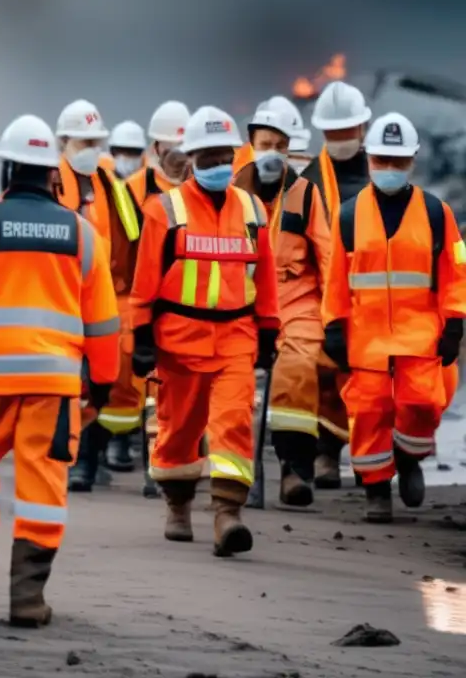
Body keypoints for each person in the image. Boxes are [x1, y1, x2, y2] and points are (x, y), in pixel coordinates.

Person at [0, 114, 120, 626]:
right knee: (43, 486)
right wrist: (102, 381)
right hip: (54, 387)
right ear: (53, 173)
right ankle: (28, 599)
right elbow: (103, 323)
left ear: (8, 168)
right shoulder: (82, 235)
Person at [130, 106, 280, 556]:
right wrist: (140, 337)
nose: (218, 166)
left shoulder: (253, 210)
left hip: (236, 337)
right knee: (179, 429)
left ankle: (227, 515)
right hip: (178, 340)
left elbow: (266, 276)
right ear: (191, 158)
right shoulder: (164, 211)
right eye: (209, 157)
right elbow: (144, 283)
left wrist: (270, 330)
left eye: (224, 157)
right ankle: (178, 505)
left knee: (234, 422)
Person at [322, 113, 466, 523]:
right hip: (365, 341)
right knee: (368, 415)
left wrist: (455, 322)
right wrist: (334, 326)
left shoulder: (437, 213)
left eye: (397, 161)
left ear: (412, 161)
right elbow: (336, 279)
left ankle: (409, 457)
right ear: (369, 158)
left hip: (420, 336)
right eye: (382, 159)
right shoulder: (348, 216)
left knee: (423, 405)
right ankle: (376, 491)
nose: (389, 168)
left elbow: (456, 271)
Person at [232, 108, 332, 506]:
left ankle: (295, 469)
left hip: (297, 296)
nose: (272, 152)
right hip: (245, 298)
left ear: (291, 149)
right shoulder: (233, 191)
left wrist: (334, 313)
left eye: (280, 145)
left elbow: (325, 255)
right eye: (265, 144)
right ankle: (240, 472)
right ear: (251, 145)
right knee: (237, 383)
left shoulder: (305, 192)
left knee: (297, 367)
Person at [53, 99, 141, 491]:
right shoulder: (47, 179)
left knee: (99, 384)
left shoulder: (112, 184)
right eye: (82, 141)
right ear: (63, 141)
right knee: (66, 385)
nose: (90, 148)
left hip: (103, 300)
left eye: (95, 141)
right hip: (59, 300)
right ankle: (75, 463)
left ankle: (87, 458)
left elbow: (131, 239)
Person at [302, 81, 373, 488]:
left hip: (373, 298)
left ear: (363, 128)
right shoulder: (308, 181)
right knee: (325, 378)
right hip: (322, 297)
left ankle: (373, 461)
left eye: (348, 131)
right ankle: (327, 453)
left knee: (372, 383)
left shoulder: (381, 173)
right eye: (334, 133)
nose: (342, 140)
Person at [122, 100, 192, 484]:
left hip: (191, 306)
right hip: (146, 301)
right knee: (147, 388)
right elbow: (126, 252)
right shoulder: (133, 191)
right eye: (172, 149)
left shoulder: (205, 190)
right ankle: (150, 457)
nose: (179, 158)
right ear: (156, 149)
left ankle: (177, 459)